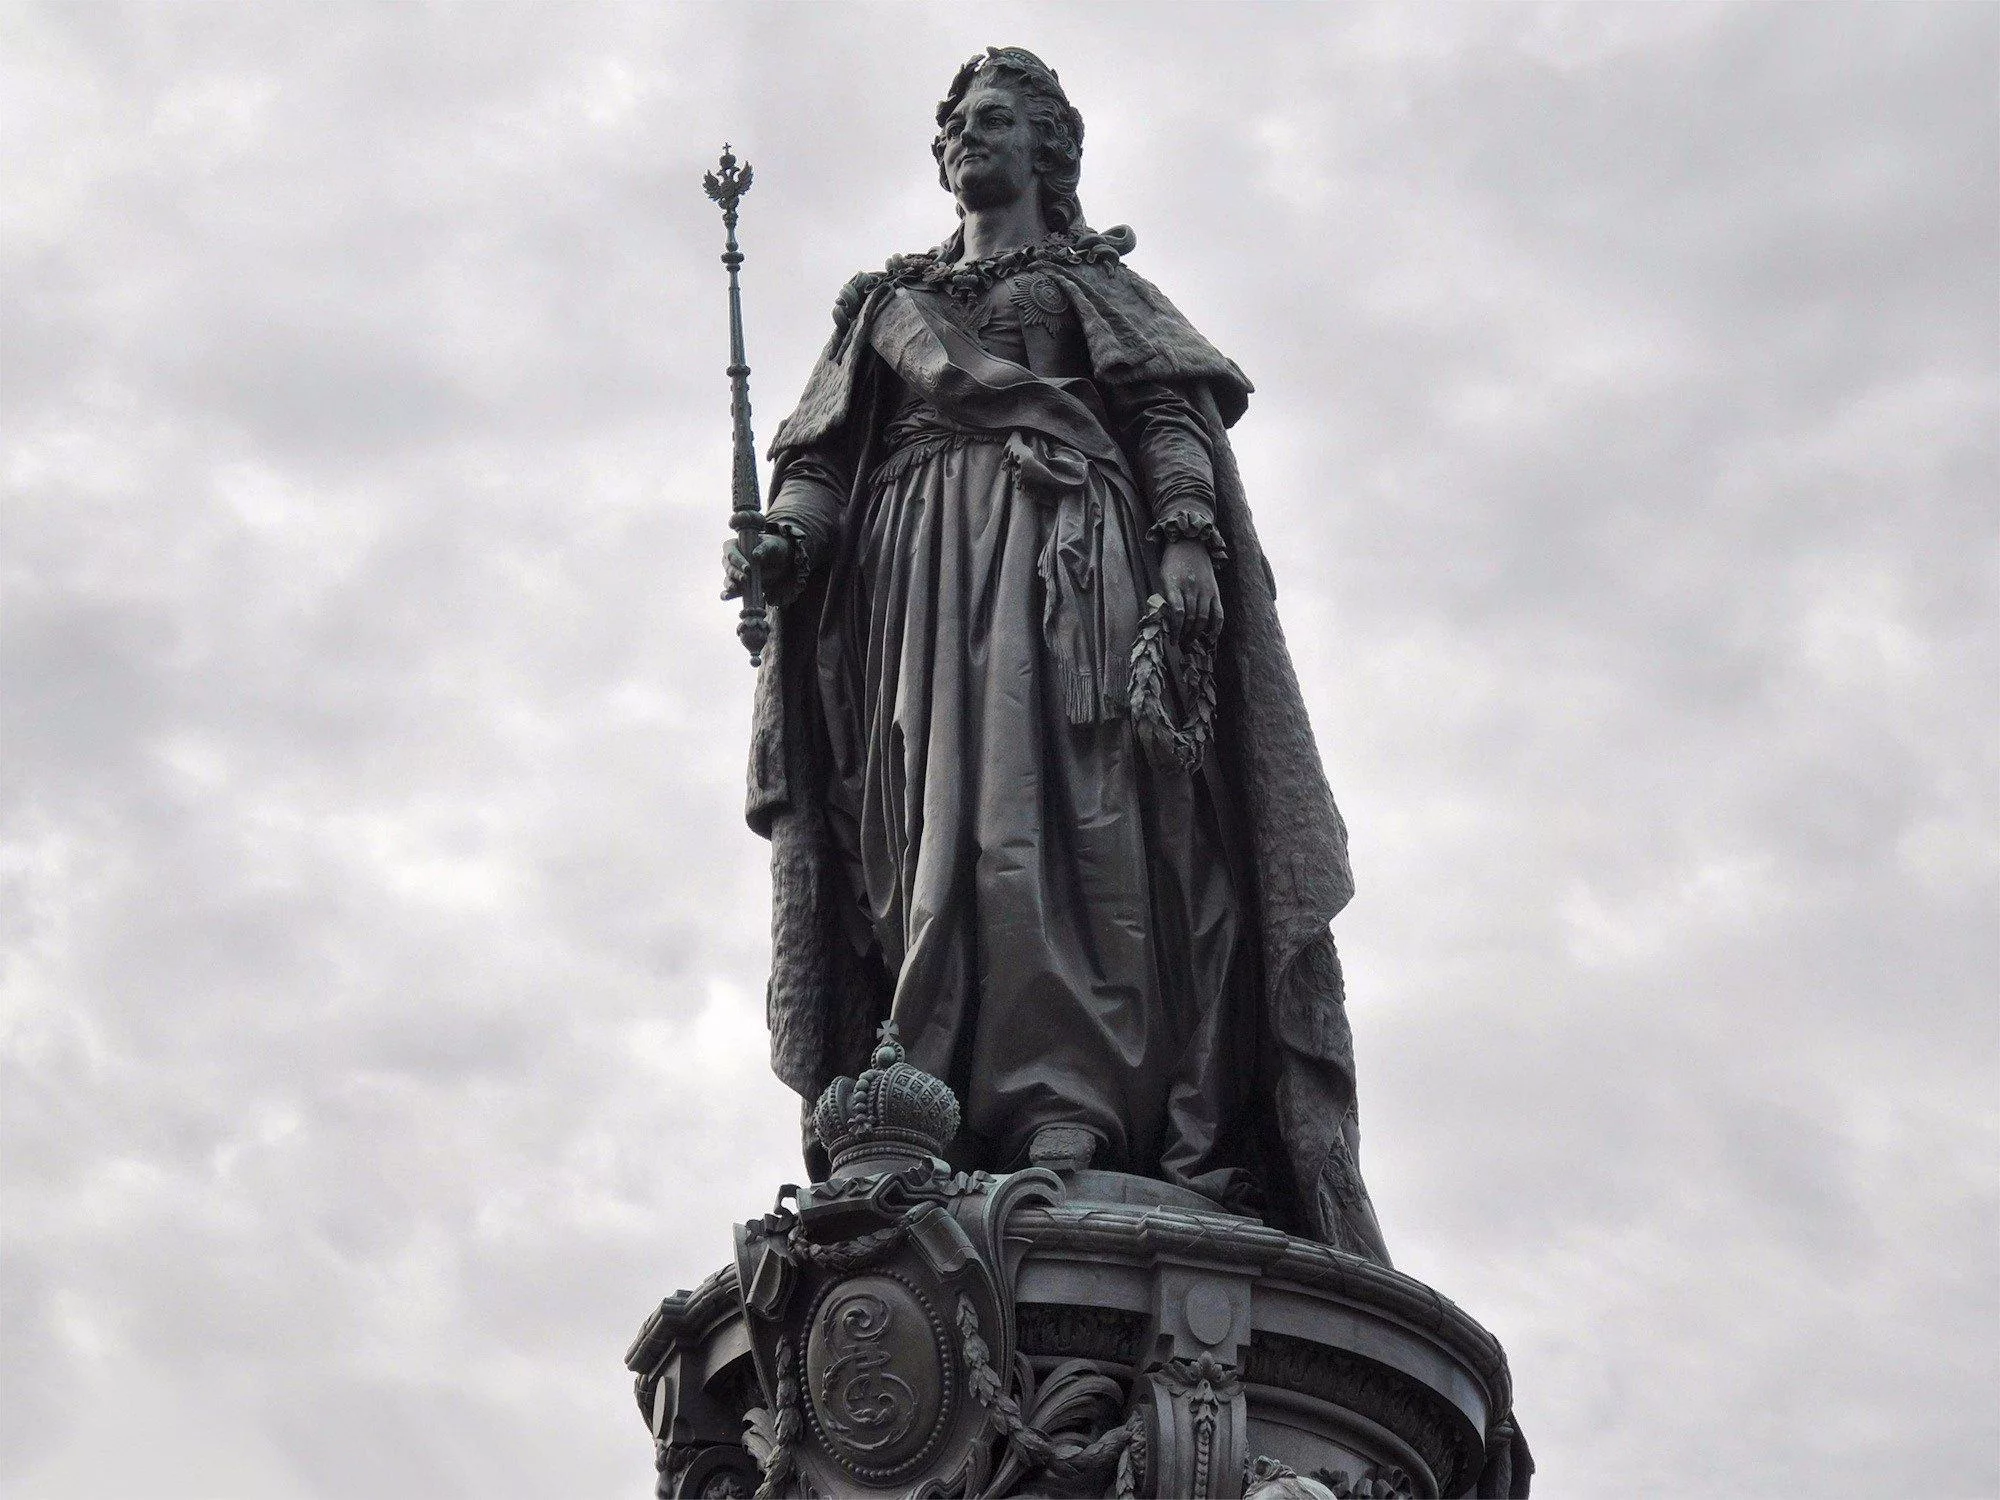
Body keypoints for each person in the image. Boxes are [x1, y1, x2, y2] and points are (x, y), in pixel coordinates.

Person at [727, 47, 1390, 1262]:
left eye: (993, 122)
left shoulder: (1089, 282)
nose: (968, 140)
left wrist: (1186, 543)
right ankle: (924, 1093)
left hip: (1065, 564)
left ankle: (1068, 1109)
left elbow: (1163, 414)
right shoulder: (885, 301)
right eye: (955, 126)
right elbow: (821, 468)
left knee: (1073, 836)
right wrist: (783, 544)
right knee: (929, 844)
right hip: (910, 590)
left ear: (1048, 150)